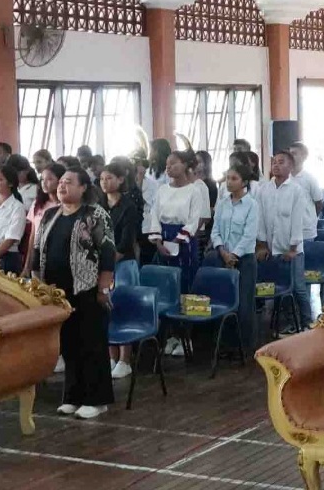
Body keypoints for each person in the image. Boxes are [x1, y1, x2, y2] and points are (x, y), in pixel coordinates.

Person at [35, 168, 116, 420]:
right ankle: (72, 396)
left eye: (68, 182)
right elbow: (38, 249)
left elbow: (107, 252)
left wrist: (104, 288)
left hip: (87, 288)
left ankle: (96, 400)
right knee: (68, 344)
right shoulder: (50, 214)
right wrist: (38, 284)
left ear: (83, 187)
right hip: (57, 292)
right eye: (60, 182)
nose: (62, 186)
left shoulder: (95, 214)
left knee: (91, 343)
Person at [256, 151, 314, 331]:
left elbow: (297, 221)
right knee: (279, 288)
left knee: (298, 288)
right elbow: (261, 219)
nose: (276, 165)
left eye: (281, 162)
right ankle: (288, 323)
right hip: (272, 248)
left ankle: (308, 323)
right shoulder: (264, 189)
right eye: (274, 162)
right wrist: (262, 245)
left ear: (290, 166)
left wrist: (293, 248)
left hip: (292, 249)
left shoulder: (296, 190)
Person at [101, 162, 145, 379]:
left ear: (120, 180)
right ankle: (111, 356)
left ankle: (125, 359)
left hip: (123, 264)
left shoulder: (128, 206)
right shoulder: (98, 205)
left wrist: (108, 263)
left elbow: (126, 242)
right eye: (102, 179)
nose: (104, 182)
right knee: (106, 308)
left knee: (124, 308)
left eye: (109, 178)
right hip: (103, 265)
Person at [210, 166, 260, 349]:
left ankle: (245, 347)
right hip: (223, 257)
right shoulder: (223, 203)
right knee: (224, 301)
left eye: (234, 179)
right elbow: (215, 230)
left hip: (244, 260)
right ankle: (226, 345)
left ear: (244, 182)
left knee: (244, 304)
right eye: (228, 178)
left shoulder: (252, 205)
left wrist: (234, 255)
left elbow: (249, 235)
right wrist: (223, 252)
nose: (229, 182)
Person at [151, 151, 212, 290]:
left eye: (173, 163)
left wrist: (176, 241)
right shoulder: (162, 190)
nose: (168, 167)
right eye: (167, 164)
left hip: (185, 239)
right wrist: (158, 242)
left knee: (185, 279)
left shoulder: (194, 191)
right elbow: (154, 215)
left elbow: (193, 221)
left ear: (185, 165)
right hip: (163, 236)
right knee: (165, 281)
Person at [21, 164, 62, 276]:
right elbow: (33, 236)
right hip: (37, 254)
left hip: (56, 254)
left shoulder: (65, 205)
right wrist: (27, 265)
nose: (44, 183)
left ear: (60, 181)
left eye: (50, 179)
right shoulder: (38, 204)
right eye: (42, 179)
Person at [288, 142, 324, 217]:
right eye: (289, 154)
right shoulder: (284, 177)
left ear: (304, 157)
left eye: (294, 153)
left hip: (306, 223)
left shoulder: (310, 179)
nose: (291, 157)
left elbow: (319, 203)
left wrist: (310, 218)